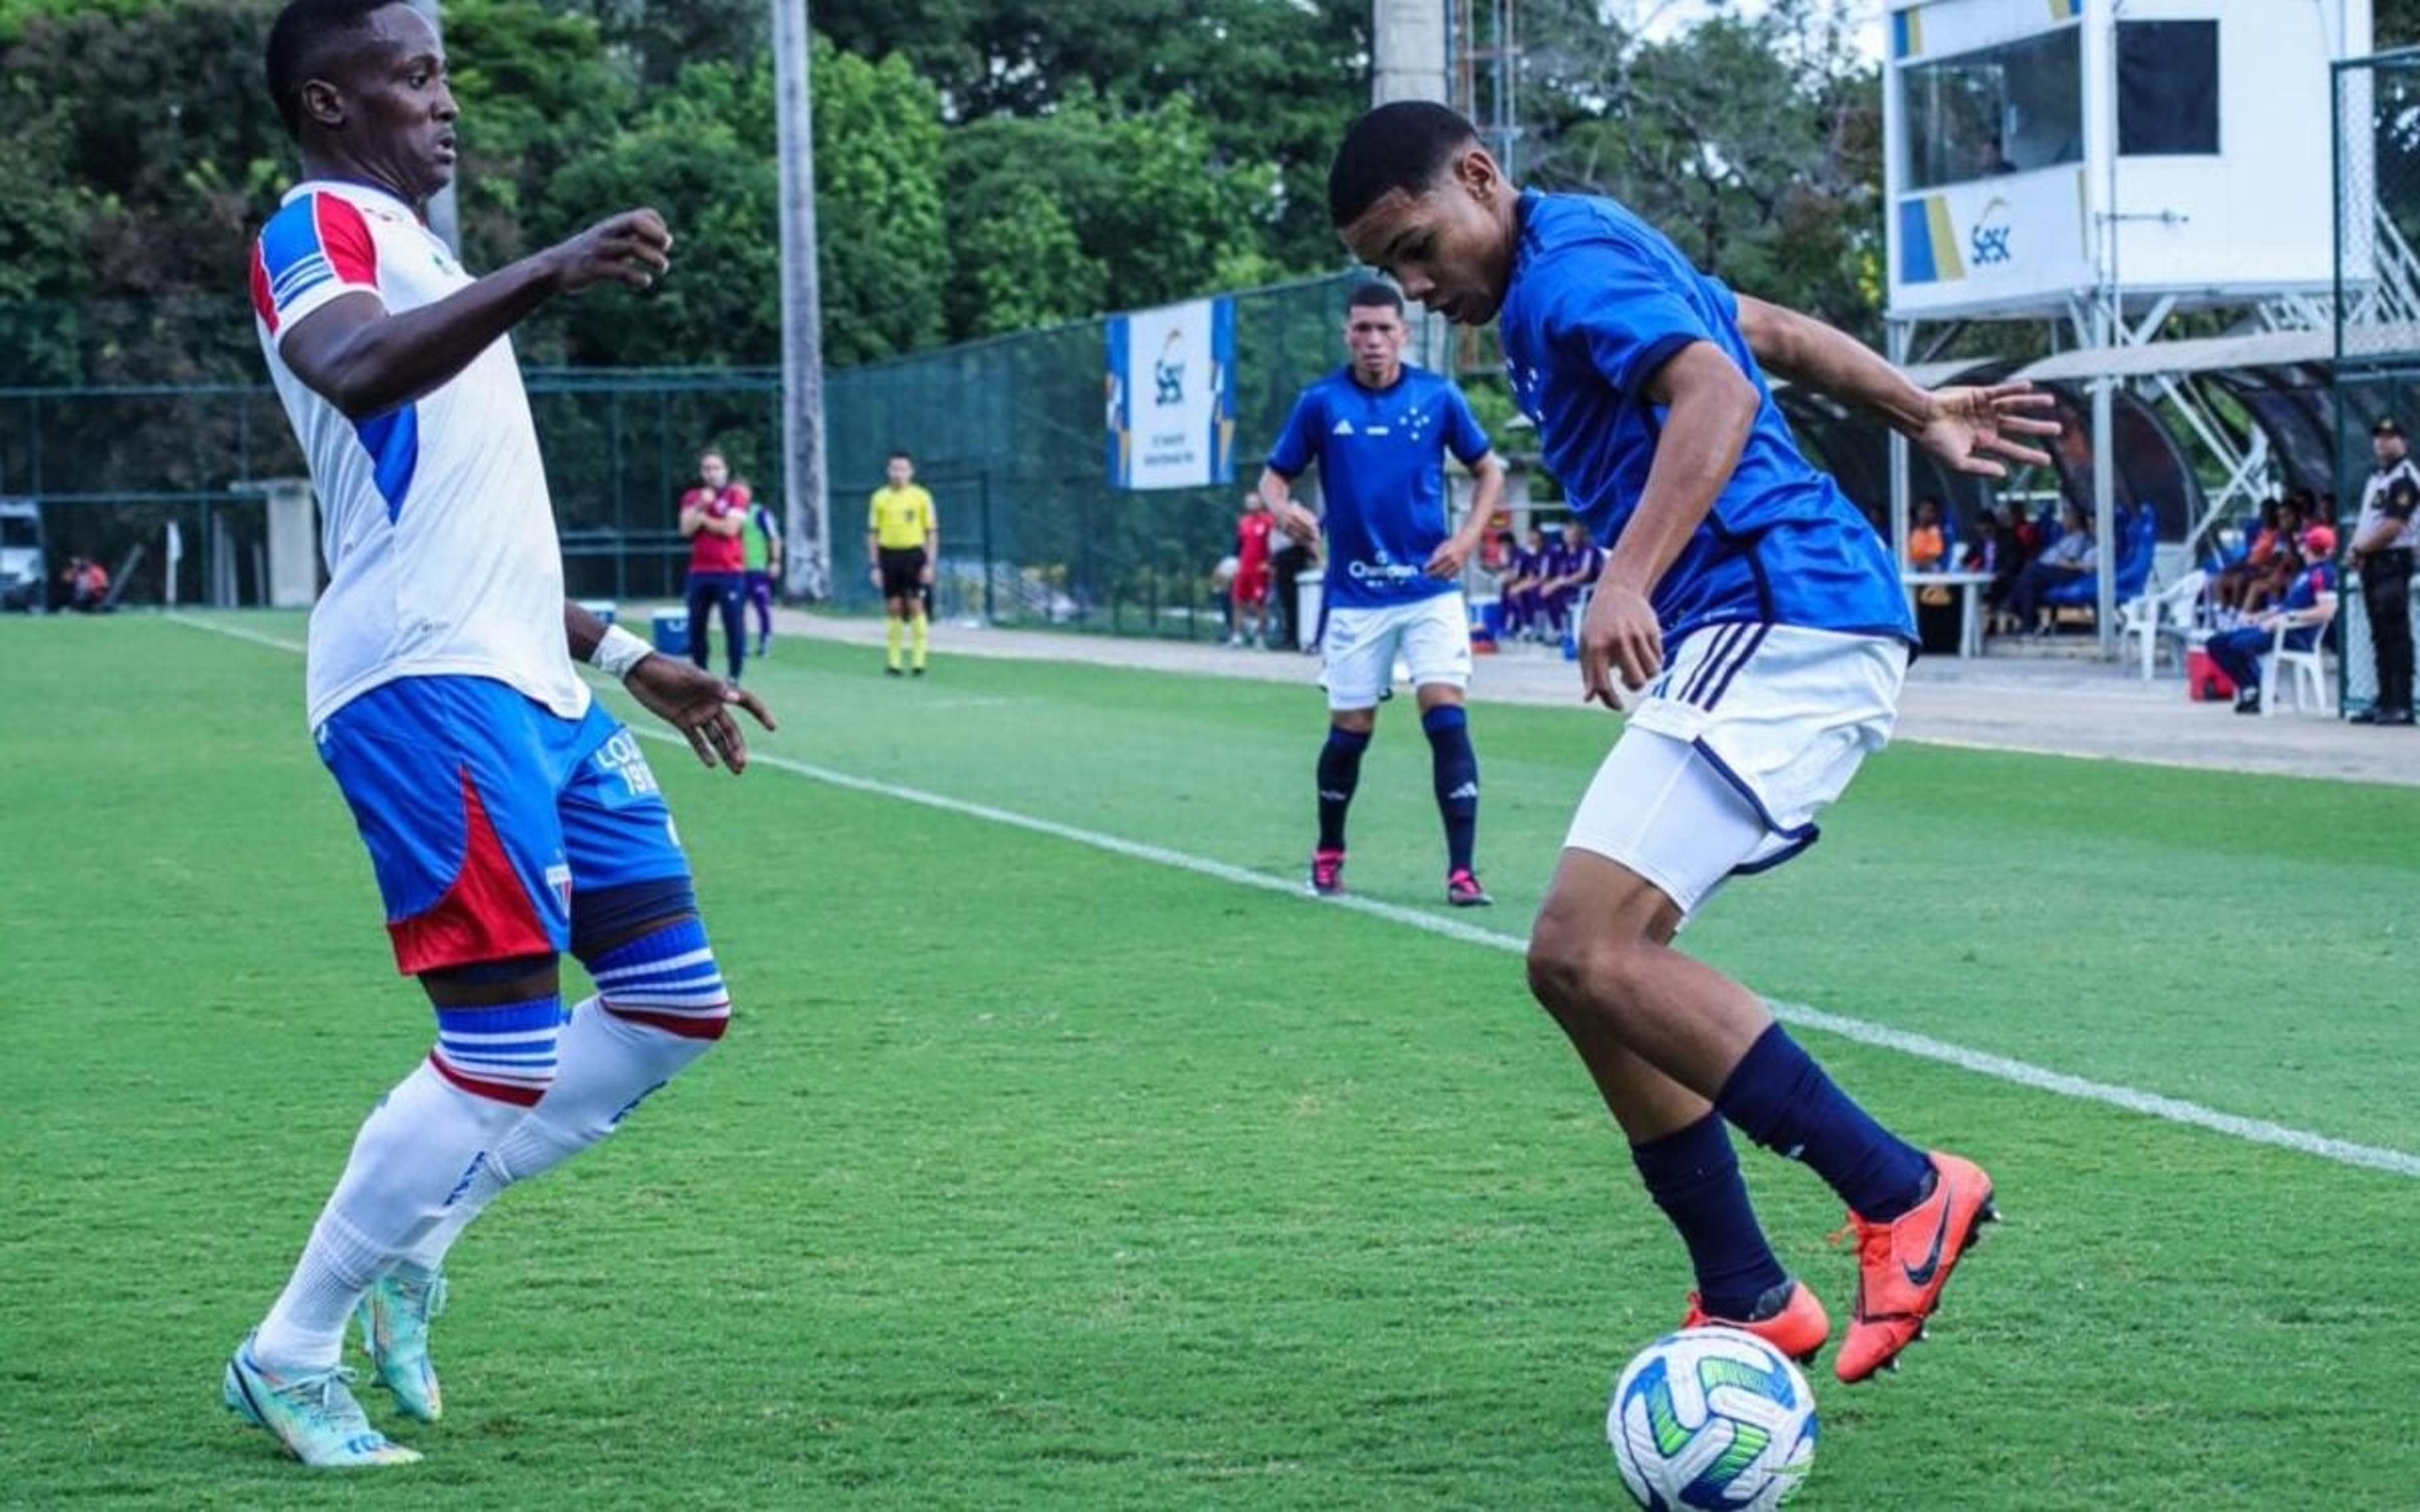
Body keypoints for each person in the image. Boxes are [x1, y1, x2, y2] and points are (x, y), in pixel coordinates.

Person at [1327, 101, 2056, 1382]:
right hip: (1770, 620)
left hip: (1785, 613)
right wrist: (1916, 407)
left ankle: (1903, 1194)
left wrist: (1627, 577)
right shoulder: (1581, 252)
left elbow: (1716, 386)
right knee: (1580, 969)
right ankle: (1747, 1289)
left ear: (1481, 179)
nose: (1416, 287)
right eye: (1390, 271)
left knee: (1585, 947)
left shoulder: (1564, 276)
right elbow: (1760, 330)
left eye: (1418, 246)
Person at [232, 0, 775, 1469]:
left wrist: (632, 650)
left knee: (672, 1004)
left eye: (444, 74)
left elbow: (480, 532)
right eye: (412, 77)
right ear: (332, 105)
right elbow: (350, 369)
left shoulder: (434, 264)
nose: (443, 102)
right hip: (421, 682)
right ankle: (287, 1348)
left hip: (531, 679)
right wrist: (552, 266)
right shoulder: (313, 227)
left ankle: (426, 1231)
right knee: (502, 1045)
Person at [1259, 279, 1508, 907]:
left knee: (1445, 716)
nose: (1373, 341)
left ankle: (1462, 871)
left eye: (1384, 329)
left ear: (1403, 333)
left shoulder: (1438, 396)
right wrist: (1283, 510)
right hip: (1357, 596)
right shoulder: (1321, 403)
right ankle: (1328, 853)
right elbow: (1273, 479)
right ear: (1348, 333)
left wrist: (1467, 540)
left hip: (1428, 590)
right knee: (1351, 729)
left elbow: (1490, 470)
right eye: (1362, 329)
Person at [2203, 526, 2338, 715]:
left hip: (2292, 634)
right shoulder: (2306, 573)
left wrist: (2290, 618)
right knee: (2216, 643)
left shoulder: (2323, 574)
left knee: (2239, 644)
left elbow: (2326, 611)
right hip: (2275, 627)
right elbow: (2287, 607)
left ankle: (2258, 689)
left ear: (2309, 548)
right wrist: (2262, 616)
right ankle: (2251, 687)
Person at [2349, 418, 2418, 724]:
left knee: (2395, 633)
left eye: (2390, 437)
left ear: (2403, 442)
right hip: (2374, 563)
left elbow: (2393, 527)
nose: (2382, 442)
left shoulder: (2404, 479)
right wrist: (2356, 549)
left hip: (2392, 561)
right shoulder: (2378, 478)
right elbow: (2368, 520)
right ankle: (2384, 699)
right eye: (2378, 437)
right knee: (2380, 634)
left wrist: (2361, 549)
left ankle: (2401, 703)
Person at [678, 450, 749, 682]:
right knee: (696, 625)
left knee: (733, 625)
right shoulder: (693, 497)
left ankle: (734, 675)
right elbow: (686, 529)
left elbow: (731, 528)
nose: (711, 473)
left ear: (725, 470)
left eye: (716, 468)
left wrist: (704, 520)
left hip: (729, 572)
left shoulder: (736, 495)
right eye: (707, 469)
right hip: (699, 572)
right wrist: (701, 507)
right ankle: (701, 674)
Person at [867, 449, 936, 677]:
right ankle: (894, 662)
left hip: (914, 554)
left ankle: (919, 661)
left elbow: (931, 532)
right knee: (894, 607)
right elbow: (873, 534)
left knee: (916, 605)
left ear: (911, 472)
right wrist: (875, 565)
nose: (899, 474)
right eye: (895, 469)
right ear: (888, 471)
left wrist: (929, 563)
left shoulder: (921, 497)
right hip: (889, 555)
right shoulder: (879, 498)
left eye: (903, 469)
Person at [2005, 503, 2095, 633]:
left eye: (2067, 517)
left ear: (2075, 521)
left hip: (2067, 573)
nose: (2063, 521)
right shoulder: (2066, 537)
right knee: (2029, 580)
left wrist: (2051, 563)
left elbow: (2071, 561)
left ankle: (2022, 614)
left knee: (2031, 570)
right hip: (2051, 570)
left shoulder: (2080, 538)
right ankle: (2025, 616)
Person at [739, 481, 781, 659]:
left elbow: (774, 538)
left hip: (757, 569)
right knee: (736, 610)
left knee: (762, 607)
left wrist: (775, 561)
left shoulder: (760, 513)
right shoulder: (730, 514)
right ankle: (740, 645)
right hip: (735, 569)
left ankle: (765, 642)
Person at [1232, 493, 1276, 648]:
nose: (1251, 505)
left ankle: (1260, 638)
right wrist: (1238, 564)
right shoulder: (1243, 522)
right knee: (1238, 601)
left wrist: (1269, 564)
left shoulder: (1269, 521)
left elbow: (1274, 545)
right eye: (1249, 502)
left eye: (1254, 502)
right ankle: (1237, 637)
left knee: (1260, 604)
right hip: (1244, 568)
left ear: (1261, 503)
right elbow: (1239, 546)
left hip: (1260, 569)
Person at [1908, 496, 1946, 571]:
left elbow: (1932, 558)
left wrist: (1913, 564)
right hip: (1909, 564)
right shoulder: (1914, 530)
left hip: (1922, 568)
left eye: (1929, 511)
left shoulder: (1934, 532)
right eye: (1922, 509)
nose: (1924, 513)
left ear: (1934, 514)